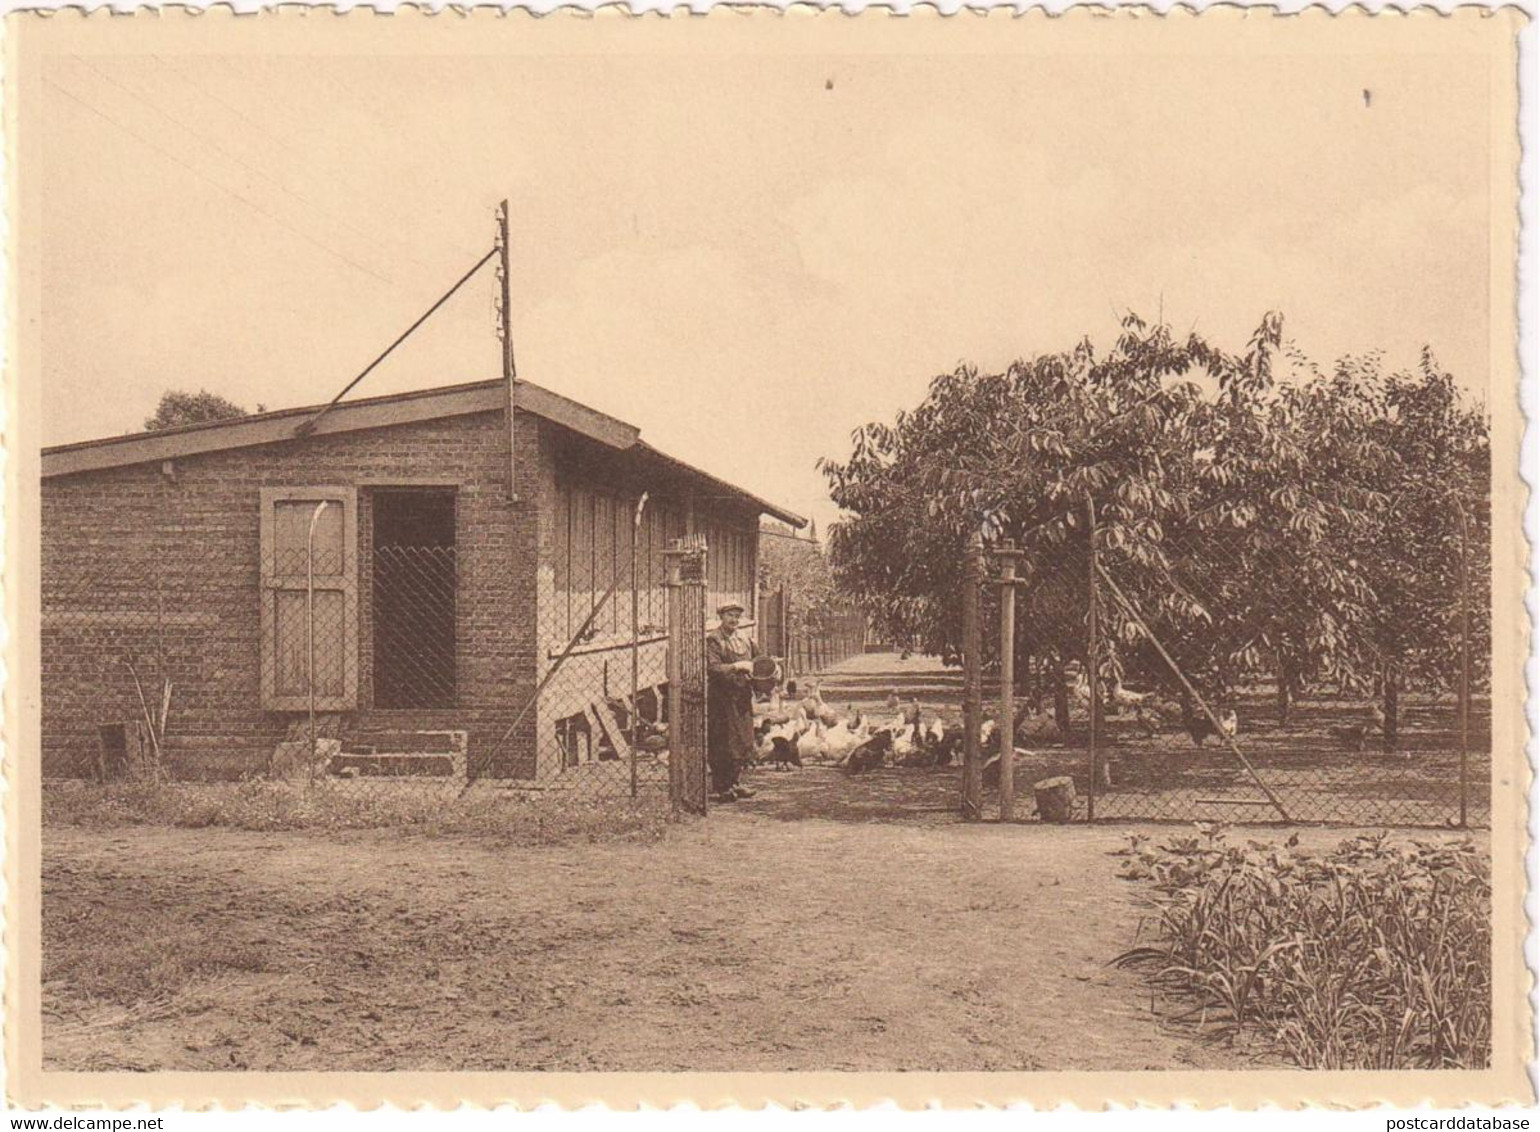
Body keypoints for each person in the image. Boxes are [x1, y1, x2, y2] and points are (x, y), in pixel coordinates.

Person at [705, 601, 766, 802]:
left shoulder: (746, 640)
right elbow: (713, 668)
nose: (734, 620)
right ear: (721, 617)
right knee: (722, 741)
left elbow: (759, 662)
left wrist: (769, 671)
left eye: (737, 616)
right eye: (730, 615)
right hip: (721, 699)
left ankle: (735, 782)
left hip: (741, 698)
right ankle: (721, 787)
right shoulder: (714, 640)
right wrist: (736, 666)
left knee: (742, 741)